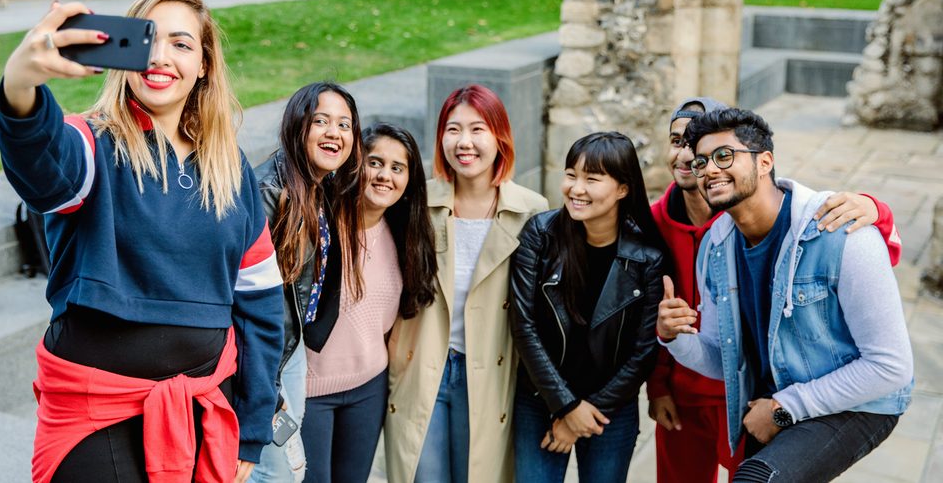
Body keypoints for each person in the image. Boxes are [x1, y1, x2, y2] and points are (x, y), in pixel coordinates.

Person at [0, 0, 283, 483]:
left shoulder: (231, 172)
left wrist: (253, 423)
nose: (161, 57)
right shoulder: (92, 143)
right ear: (121, 51)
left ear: (205, 65)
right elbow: (42, 163)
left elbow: (261, 307)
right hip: (94, 418)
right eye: (147, 39)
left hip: (201, 414)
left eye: (182, 44)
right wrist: (21, 85)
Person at [646, 98, 902, 483]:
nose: (709, 169)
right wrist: (672, 338)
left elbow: (890, 368)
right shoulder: (717, 246)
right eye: (702, 161)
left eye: (724, 155)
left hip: (860, 400)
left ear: (764, 161)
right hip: (770, 396)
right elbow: (721, 356)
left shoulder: (841, 230)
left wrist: (784, 407)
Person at [384, 84, 549, 483]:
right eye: (453, 129)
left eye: (478, 129)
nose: (464, 142)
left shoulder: (532, 211)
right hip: (423, 367)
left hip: (491, 372)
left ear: (500, 137)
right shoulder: (418, 203)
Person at [509, 132, 666, 483]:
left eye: (591, 179)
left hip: (610, 408)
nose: (576, 188)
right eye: (571, 175)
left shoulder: (646, 257)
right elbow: (524, 325)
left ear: (622, 189)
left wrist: (585, 412)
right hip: (540, 398)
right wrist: (565, 406)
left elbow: (643, 352)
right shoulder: (540, 233)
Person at [300, 123, 437, 483]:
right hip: (311, 392)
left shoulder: (406, 234)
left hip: (368, 389)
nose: (385, 176)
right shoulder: (320, 225)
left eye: (397, 168)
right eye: (375, 162)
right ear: (356, 164)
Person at [251, 82, 365, 482]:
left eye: (344, 124)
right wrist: (265, 384)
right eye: (321, 121)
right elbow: (246, 301)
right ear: (298, 126)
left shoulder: (321, 186)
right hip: (263, 357)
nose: (334, 133)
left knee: (287, 467)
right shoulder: (269, 192)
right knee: (275, 472)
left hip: (290, 347)